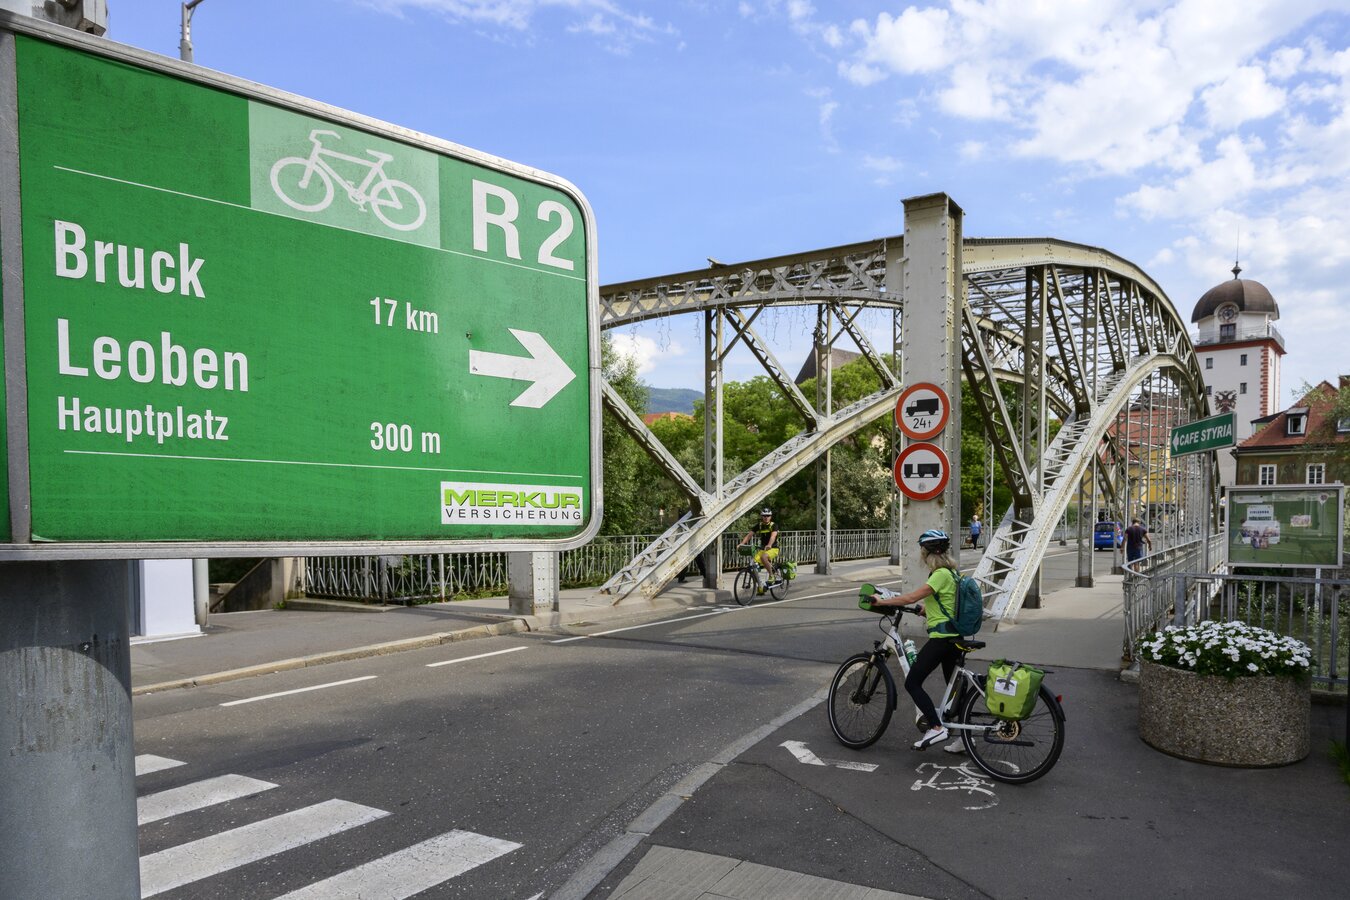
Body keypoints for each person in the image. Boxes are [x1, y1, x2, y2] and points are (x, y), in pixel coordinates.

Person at [869, 529, 964, 750]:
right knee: (954, 692)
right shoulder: (953, 573)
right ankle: (965, 739)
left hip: (942, 639)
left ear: (927, 553)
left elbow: (911, 597)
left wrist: (881, 602)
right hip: (955, 637)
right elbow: (947, 603)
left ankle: (936, 727)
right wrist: (926, 611)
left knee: (912, 683)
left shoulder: (939, 574)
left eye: (922, 551)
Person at [737, 508, 780, 587]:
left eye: (768, 516)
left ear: (770, 516)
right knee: (753, 564)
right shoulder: (759, 525)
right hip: (763, 549)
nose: (766, 517)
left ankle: (771, 576)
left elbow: (773, 536)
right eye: (764, 516)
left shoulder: (774, 525)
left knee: (763, 557)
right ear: (762, 516)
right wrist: (742, 544)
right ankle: (760, 586)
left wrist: (769, 545)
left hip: (773, 548)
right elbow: (749, 535)